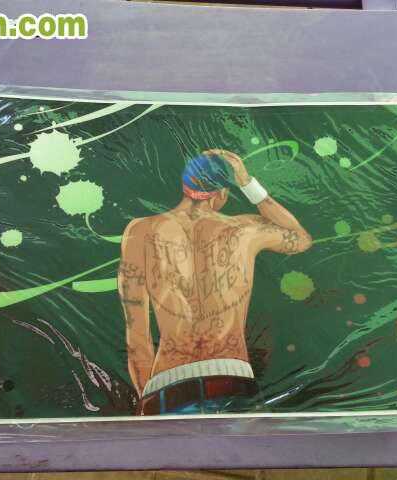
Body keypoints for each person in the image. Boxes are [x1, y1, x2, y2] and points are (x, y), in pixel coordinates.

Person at [118, 149, 313, 415]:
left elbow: (137, 336)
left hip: (168, 385)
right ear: (221, 193)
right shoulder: (245, 230)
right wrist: (247, 182)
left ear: (184, 187)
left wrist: (147, 401)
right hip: (231, 378)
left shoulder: (140, 231)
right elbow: (300, 238)